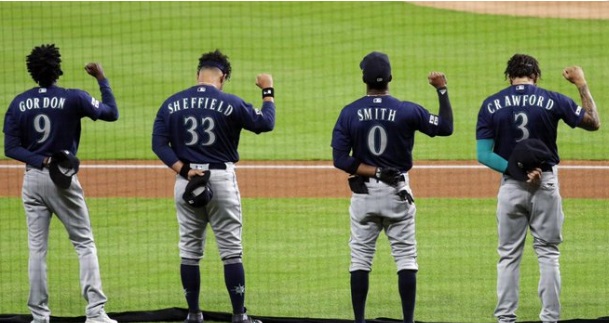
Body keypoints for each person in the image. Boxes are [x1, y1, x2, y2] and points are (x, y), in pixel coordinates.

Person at [476, 53, 601, 323]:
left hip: (511, 184)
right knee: (548, 253)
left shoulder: (491, 104)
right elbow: (594, 123)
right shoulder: (552, 99)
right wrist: (581, 83)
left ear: (510, 77)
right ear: (536, 76)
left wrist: (518, 172)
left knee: (508, 255)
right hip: (545, 184)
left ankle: (506, 319)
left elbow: (483, 155)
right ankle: (550, 319)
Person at [152, 49, 274, 323]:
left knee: (189, 250)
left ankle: (194, 314)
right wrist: (268, 90)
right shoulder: (230, 102)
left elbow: (158, 144)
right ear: (224, 77)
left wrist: (184, 169)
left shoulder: (171, 103)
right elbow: (266, 123)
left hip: (186, 182)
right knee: (231, 250)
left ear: (198, 74)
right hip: (221, 181)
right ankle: (239, 316)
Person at [331, 51, 454, 323]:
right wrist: (442, 90)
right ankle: (408, 321)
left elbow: (340, 159)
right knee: (406, 257)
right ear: (390, 78)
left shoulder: (350, 112)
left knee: (360, 259)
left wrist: (373, 170)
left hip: (364, 194)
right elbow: (445, 127)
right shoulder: (407, 110)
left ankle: (360, 320)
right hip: (398, 192)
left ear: (364, 79)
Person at [3, 44, 119, 323]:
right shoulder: (74, 98)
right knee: (84, 243)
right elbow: (111, 113)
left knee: (37, 250)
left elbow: (11, 148)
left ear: (33, 72)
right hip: (63, 181)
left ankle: (40, 316)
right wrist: (102, 80)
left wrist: (40, 161)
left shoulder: (19, 103)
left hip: (32, 180)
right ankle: (95, 313)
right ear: (58, 69)